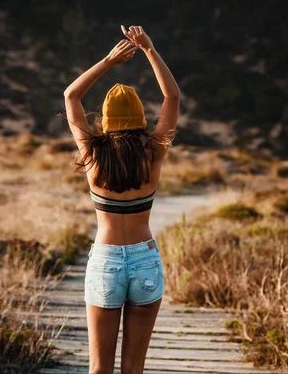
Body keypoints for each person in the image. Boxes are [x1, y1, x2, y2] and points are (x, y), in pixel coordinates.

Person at [62, 25, 180, 374]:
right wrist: (149, 50)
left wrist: (108, 62)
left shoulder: (93, 154)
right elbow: (172, 98)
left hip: (106, 261)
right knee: (133, 369)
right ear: (140, 118)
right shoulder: (153, 152)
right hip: (144, 260)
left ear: (108, 121)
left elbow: (71, 97)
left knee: (100, 369)